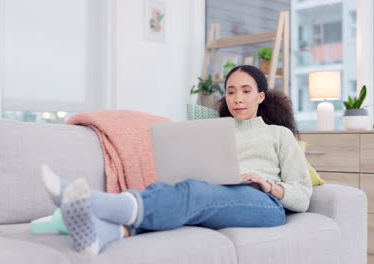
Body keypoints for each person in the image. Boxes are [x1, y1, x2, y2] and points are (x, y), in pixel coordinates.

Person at [42, 65, 312, 255]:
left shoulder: (279, 135)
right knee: (165, 190)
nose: (237, 98)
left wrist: (268, 185)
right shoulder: (215, 130)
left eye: (245, 91)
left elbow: (302, 195)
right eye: (230, 92)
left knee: (194, 193)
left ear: (260, 96)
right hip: (219, 196)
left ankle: (90, 202)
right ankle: (105, 234)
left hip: (264, 205)